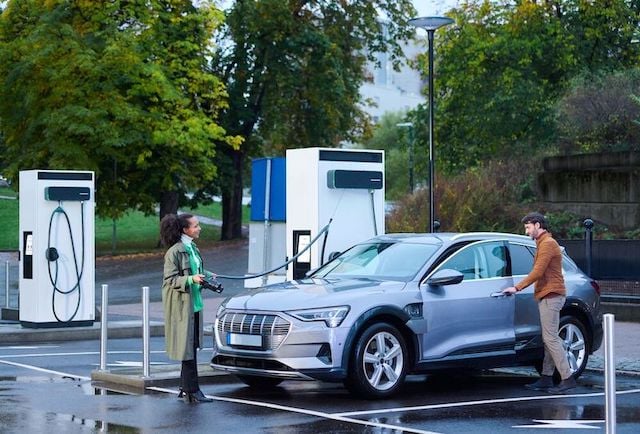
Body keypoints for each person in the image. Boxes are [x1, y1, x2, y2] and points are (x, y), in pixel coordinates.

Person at [502, 212, 577, 394]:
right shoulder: (542, 243)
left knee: (551, 338)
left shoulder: (548, 244)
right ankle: (546, 377)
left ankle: (567, 378)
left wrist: (517, 287)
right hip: (547, 295)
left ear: (537, 225)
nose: (526, 231)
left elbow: (538, 271)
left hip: (552, 295)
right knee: (549, 338)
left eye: (528, 227)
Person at [160, 213, 214, 403]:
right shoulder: (174, 252)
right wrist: (191, 279)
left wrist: (207, 274)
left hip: (195, 305)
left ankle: (185, 387)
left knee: (190, 347)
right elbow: (170, 279)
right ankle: (193, 390)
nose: (199, 228)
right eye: (196, 226)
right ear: (185, 230)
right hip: (183, 307)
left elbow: (196, 270)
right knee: (188, 349)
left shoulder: (192, 248)